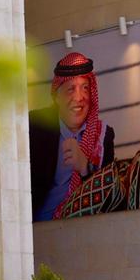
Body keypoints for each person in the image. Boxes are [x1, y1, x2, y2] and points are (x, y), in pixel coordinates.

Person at [29, 52, 115, 221]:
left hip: (81, 228)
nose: (79, 97)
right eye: (70, 89)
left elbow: (110, 196)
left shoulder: (103, 135)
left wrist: (85, 167)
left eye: (85, 88)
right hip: (37, 228)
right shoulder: (35, 126)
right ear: (57, 96)